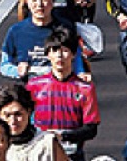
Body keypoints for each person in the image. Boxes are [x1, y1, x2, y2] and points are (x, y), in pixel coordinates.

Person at [25, 29, 100, 161]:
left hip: (72, 153)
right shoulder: (34, 86)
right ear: (48, 55)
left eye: (64, 50)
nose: (59, 55)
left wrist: (64, 136)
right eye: (54, 50)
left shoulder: (85, 89)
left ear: (73, 54)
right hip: (41, 151)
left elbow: (91, 129)